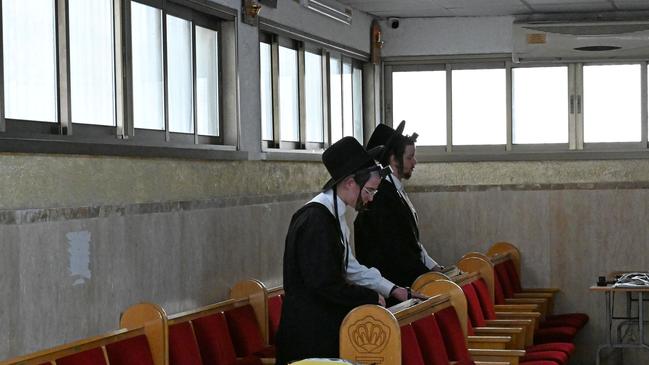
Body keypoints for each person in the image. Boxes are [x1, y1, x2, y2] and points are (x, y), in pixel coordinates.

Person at [275, 137, 412, 365]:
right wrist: (367, 296)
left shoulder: (335, 215)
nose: (370, 199)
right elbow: (324, 283)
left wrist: (392, 289)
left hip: (323, 328)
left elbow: (350, 267)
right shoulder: (316, 220)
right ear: (349, 183)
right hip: (308, 336)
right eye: (368, 191)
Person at [354, 121, 443, 290]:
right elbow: (396, 253)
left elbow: (411, 243)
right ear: (393, 159)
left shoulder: (395, 191)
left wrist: (433, 268)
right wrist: (427, 278)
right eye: (409, 157)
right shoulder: (380, 198)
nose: (414, 162)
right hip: (393, 288)